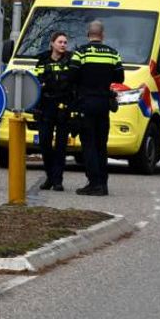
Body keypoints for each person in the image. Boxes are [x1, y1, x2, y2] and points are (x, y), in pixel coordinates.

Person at [68, 20, 124, 196]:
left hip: (86, 103)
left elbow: (71, 76)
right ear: (103, 35)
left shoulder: (81, 53)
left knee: (89, 144)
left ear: (88, 34)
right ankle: (103, 183)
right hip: (103, 105)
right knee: (101, 144)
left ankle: (94, 183)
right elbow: (120, 77)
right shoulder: (113, 54)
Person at [33, 31, 73, 191]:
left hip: (63, 105)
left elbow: (73, 82)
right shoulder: (42, 59)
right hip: (46, 106)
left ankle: (58, 180)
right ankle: (50, 176)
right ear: (52, 43)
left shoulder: (70, 60)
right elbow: (36, 82)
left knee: (61, 145)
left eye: (65, 42)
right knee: (44, 143)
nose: (63, 45)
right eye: (60, 42)